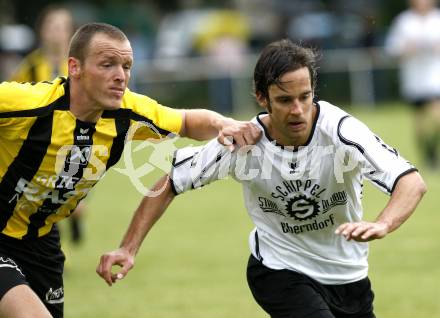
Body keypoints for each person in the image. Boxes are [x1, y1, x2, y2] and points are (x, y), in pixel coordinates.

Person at [97, 39, 427, 318]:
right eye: (285, 100)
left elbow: (411, 182)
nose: (297, 110)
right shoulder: (244, 142)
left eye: (305, 97)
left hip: (349, 275)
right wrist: (128, 248)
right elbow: (170, 181)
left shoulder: (342, 132)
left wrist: (383, 224)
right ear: (261, 97)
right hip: (278, 271)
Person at [0, 22, 261, 318]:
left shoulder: (127, 113)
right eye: (108, 64)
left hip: (40, 243)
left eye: (126, 66)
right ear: (75, 67)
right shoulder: (26, 103)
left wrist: (222, 123)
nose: (120, 76)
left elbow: (186, 121)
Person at [9, 5, 88, 249]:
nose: (56, 32)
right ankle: (51, 248)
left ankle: (74, 219)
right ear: (42, 31)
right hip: (40, 142)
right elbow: (13, 99)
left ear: (71, 33)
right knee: (42, 201)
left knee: (71, 202)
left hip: (76, 141)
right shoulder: (30, 66)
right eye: (51, 26)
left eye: (62, 27)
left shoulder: (82, 66)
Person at [385, 0, 440, 169]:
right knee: (420, 123)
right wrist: (406, 49)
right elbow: (391, 48)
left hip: (435, 79)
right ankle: (428, 152)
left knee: (436, 116)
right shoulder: (404, 22)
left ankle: (432, 148)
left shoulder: (437, 20)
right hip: (414, 81)